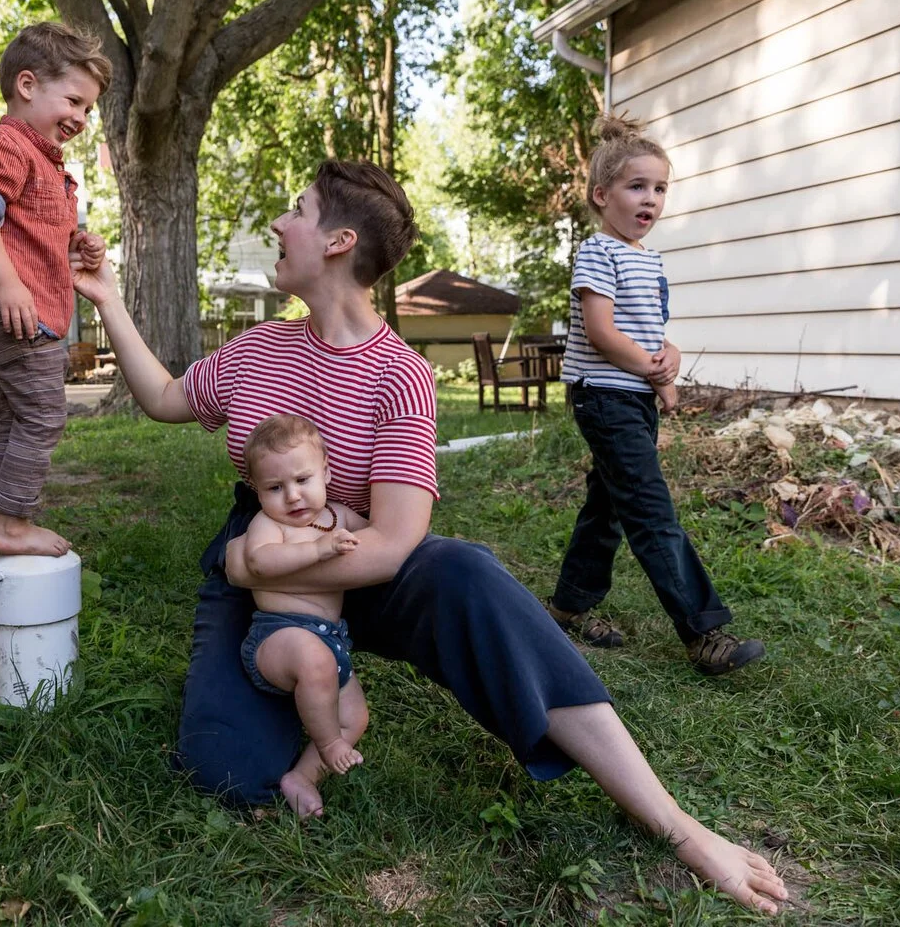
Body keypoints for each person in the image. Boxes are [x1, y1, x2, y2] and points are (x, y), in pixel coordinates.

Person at [69, 160, 788, 914]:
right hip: (270, 576)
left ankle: (673, 822)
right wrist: (108, 298)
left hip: (348, 558)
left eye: (297, 210)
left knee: (467, 574)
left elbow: (389, 546)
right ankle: (317, 675)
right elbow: (163, 396)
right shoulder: (255, 351)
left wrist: (256, 569)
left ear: (339, 242)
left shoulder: (401, 375)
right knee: (227, 773)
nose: (279, 224)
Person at [549, 116, 766, 676]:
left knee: (607, 507)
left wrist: (669, 352)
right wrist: (659, 376)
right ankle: (704, 633)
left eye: (660, 188)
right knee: (651, 511)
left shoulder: (647, 257)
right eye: (636, 186)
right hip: (604, 397)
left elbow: (645, 329)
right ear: (602, 195)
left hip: (632, 398)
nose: (651, 199)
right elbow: (601, 332)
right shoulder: (598, 252)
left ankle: (570, 604)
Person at [0, 22, 111, 558]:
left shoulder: (43, 161)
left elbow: (34, 238)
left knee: (16, 417)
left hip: (11, 308)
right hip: (16, 313)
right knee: (43, 417)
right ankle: (13, 524)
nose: (81, 118)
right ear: (27, 84)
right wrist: (8, 283)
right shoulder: (5, 146)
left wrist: (78, 246)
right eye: (74, 101)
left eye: (89, 109)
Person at [239, 414, 370, 808]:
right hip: (279, 635)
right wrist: (317, 549)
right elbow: (260, 561)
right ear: (257, 491)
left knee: (355, 717)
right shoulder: (268, 524)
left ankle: (303, 776)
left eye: (302, 480)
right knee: (314, 661)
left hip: (332, 639)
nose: (292, 496)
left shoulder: (339, 517)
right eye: (275, 487)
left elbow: (378, 536)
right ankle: (328, 743)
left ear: (326, 472)